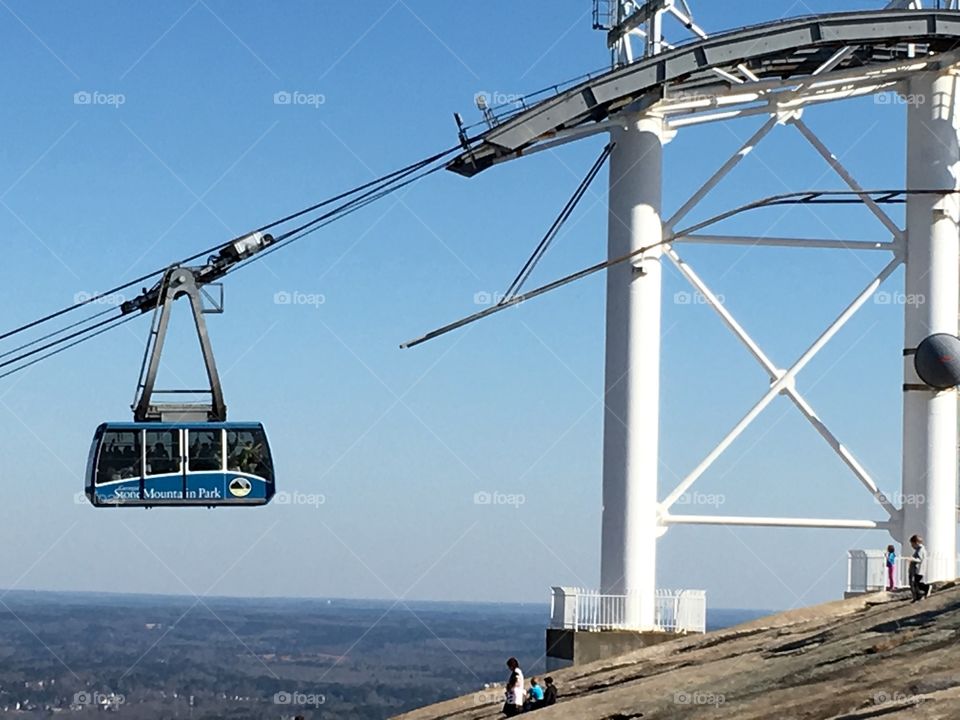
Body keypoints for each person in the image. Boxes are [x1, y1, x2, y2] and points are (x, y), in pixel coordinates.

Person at [908, 534, 930, 602]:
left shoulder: (920, 550)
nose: (912, 546)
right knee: (916, 583)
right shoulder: (919, 549)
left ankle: (926, 589)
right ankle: (918, 596)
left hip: (919, 569)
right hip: (919, 569)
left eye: (912, 544)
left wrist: (912, 559)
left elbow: (920, 559)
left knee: (916, 583)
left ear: (916, 543)